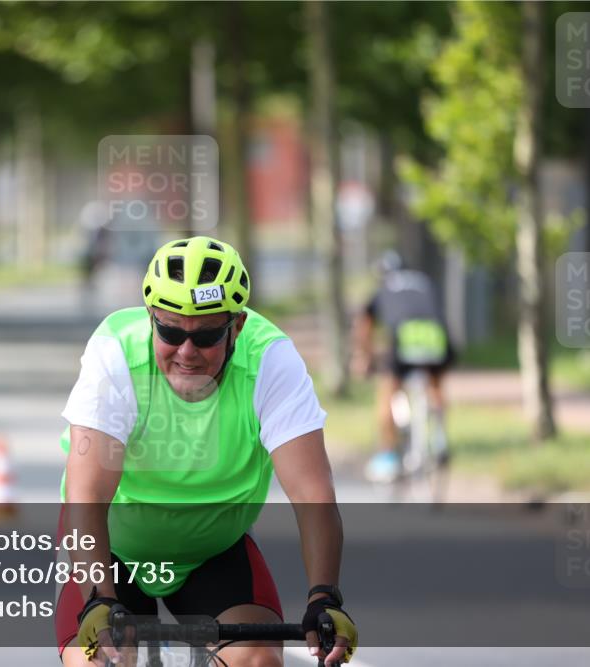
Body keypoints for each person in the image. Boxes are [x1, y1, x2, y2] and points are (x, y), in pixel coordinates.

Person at [57, 236, 358, 666]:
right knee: (101, 661)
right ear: (149, 318)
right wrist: (98, 598)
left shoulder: (270, 360)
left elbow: (314, 496)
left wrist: (324, 596)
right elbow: (86, 495)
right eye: (170, 331)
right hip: (112, 550)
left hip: (212, 552)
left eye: (207, 336)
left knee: (257, 660)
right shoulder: (115, 352)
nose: (186, 351)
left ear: (236, 326)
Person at [354, 251, 455, 483]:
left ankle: (388, 454)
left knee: (387, 391)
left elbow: (365, 324)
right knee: (435, 382)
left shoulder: (383, 288)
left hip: (405, 337)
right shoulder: (424, 281)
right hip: (436, 336)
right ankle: (440, 437)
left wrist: (365, 356)